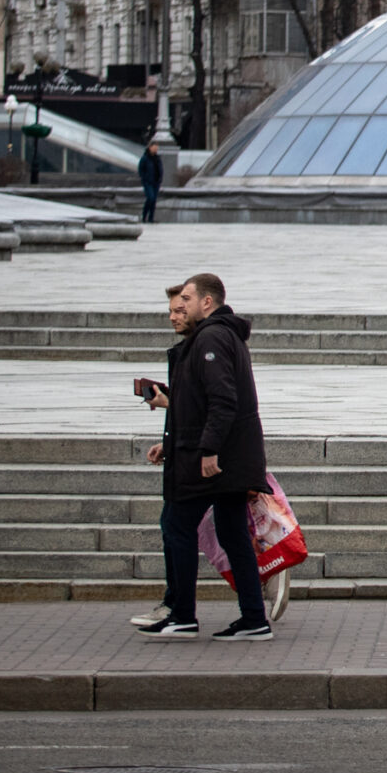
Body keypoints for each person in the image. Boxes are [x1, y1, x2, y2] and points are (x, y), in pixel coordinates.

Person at [138, 271, 271, 639]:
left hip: (211, 462)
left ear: (206, 302)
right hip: (223, 458)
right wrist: (174, 438)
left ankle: (182, 614)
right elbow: (203, 403)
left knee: (177, 526)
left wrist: (208, 449)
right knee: (232, 535)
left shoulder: (211, 337)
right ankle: (254, 618)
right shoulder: (219, 337)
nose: (178, 310)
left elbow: (223, 400)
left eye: (187, 301)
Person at [137, 137, 163, 228]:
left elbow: (160, 169)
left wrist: (160, 179)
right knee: (150, 198)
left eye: (157, 148)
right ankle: (144, 216)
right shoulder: (145, 158)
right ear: (150, 147)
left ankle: (150, 218)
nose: (156, 149)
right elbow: (140, 169)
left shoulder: (157, 158)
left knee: (154, 200)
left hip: (156, 182)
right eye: (155, 147)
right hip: (148, 182)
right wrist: (144, 178)